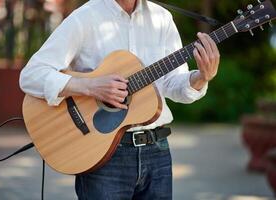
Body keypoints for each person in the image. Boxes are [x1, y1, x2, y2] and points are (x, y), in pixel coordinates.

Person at [19, 0, 220, 199]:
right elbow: (31, 75)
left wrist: (201, 78)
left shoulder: (162, 18)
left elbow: (171, 84)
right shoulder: (85, 17)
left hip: (157, 152)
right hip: (104, 155)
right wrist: (90, 87)